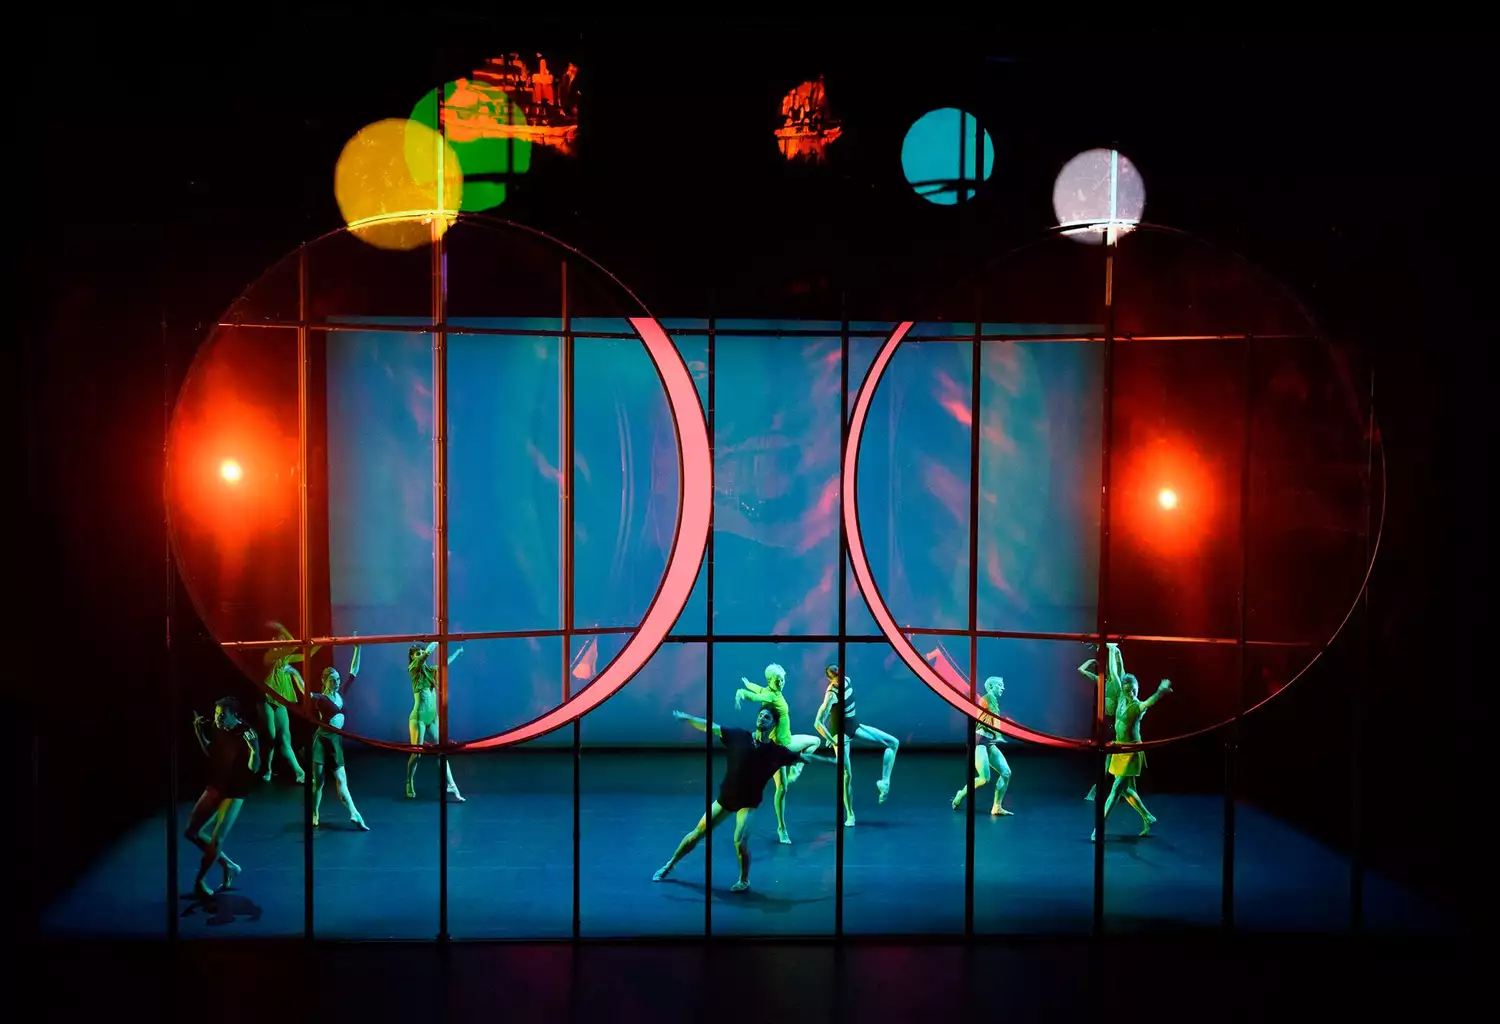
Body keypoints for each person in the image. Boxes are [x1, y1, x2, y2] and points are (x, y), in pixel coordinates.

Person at [653, 706, 836, 892]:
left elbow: (805, 758)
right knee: (698, 832)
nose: (762, 718)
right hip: (727, 798)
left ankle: (744, 880)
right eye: (761, 715)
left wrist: (831, 762)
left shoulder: (776, 752)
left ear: (773, 724)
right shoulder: (739, 736)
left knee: (740, 842)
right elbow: (711, 727)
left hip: (748, 803)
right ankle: (670, 865)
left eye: (767, 717)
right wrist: (688, 717)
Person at [735, 663, 823, 845]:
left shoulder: (772, 692)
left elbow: (757, 689)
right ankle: (781, 828)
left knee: (815, 742)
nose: (781, 683)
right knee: (781, 788)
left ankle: (796, 769)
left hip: (787, 740)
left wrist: (748, 684)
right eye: (777, 680)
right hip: (779, 747)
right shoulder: (770, 695)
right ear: (770, 680)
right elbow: (756, 696)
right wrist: (742, 693)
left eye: (782, 679)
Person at [185, 697, 261, 900]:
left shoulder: (246, 732)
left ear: (234, 715)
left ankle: (200, 881)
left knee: (217, 839)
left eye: (222, 715)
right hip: (216, 786)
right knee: (191, 832)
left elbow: (254, 767)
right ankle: (229, 866)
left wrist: (254, 749)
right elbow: (211, 752)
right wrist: (198, 732)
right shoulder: (218, 728)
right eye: (216, 714)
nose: (217, 718)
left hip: (234, 792)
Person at [814, 664, 899, 826]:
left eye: (840, 674)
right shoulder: (831, 694)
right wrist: (831, 739)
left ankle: (884, 782)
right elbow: (818, 722)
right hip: (841, 735)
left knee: (893, 743)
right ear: (830, 680)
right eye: (835, 677)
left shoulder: (847, 680)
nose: (839, 678)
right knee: (847, 775)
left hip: (854, 726)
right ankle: (850, 814)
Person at [1092, 674, 1173, 842]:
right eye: (1128, 691)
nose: (1131, 694)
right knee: (1126, 790)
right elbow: (1115, 672)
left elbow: (1148, 702)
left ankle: (1098, 828)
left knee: (1115, 790)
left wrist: (1160, 691)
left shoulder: (1137, 706)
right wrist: (1112, 655)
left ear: (1138, 688)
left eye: (1134, 690)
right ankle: (1147, 817)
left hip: (1131, 752)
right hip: (1119, 749)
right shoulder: (1122, 698)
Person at [308, 643, 369, 831]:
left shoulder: (340, 693)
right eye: (332, 680)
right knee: (318, 783)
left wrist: (357, 648)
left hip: (335, 741)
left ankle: (354, 813)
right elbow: (304, 691)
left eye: (337, 679)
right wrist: (294, 674)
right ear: (324, 681)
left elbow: (353, 673)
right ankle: (314, 812)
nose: (336, 682)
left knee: (342, 780)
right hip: (322, 740)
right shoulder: (320, 698)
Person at [406, 641, 466, 801]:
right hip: (418, 718)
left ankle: (452, 785)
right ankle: (409, 781)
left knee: (442, 751)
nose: (420, 655)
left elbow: (445, 664)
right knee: (416, 754)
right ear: (412, 657)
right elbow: (427, 652)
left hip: (432, 717)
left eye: (421, 653)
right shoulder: (413, 668)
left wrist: (457, 652)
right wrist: (437, 640)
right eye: (417, 654)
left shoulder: (429, 670)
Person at [952, 676, 1014, 816]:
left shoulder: (993, 699)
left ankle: (996, 807)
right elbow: (995, 719)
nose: (1003, 688)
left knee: (1006, 773)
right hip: (980, 741)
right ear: (991, 686)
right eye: (1000, 685)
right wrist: (999, 736)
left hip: (989, 741)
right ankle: (960, 794)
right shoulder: (989, 697)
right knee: (984, 778)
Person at [261, 621, 314, 784]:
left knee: (285, 738)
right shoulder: (269, 656)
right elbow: (293, 644)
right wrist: (281, 627)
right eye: (281, 639)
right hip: (267, 699)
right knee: (271, 737)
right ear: (273, 641)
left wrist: (319, 644)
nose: (284, 642)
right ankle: (267, 769)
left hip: (280, 700)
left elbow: (307, 655)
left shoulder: (285, 658)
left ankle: (299, 772)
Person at [1081, 642, 1124, 802]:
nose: (1107, 670)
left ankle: (1100, 791)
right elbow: (1081, 670)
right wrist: (1091, 661)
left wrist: (1113, 650)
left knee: (1110, 765)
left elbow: (1116, 669)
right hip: (1106, 727)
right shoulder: (1102, 682)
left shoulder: (1118, 685)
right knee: (1108, 764)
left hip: (1114, 727)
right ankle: (1106, 791)